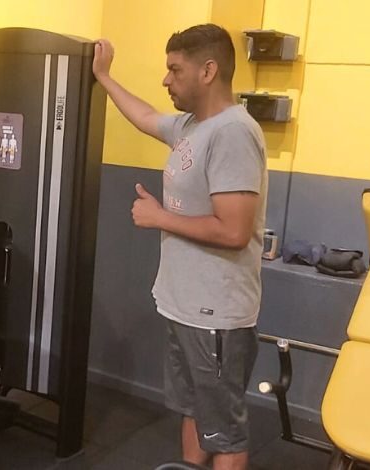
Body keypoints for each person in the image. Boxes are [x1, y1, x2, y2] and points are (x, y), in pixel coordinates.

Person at [93, 24, 267, 470]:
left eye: (174, 69)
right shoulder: (192, 126)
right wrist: (106, 77)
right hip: (182, 304)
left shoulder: (233, 133)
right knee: (194, 411)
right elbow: (147, 116)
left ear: (208, 71)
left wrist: (159, 218)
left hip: (216, 313)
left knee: (224, 431)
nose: (166, 80)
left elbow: (235, 231)